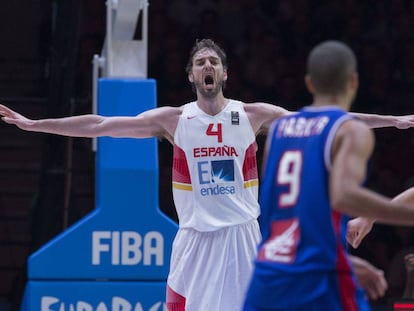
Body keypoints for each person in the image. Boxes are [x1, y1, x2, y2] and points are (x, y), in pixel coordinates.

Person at [0, 39, 414, 311]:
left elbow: (329, 123)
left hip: (242, 236)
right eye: (201, 62)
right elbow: (100, 124)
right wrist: (36, 125)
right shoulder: (173, 120)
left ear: (225, 73)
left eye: (214, 60)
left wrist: (394, 121)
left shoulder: (252, 115)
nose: (208, 66)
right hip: (194, 240)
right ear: (192, 76)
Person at [243, 40, 414, 311]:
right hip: (320, 277)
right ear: (353, 81)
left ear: (310, 83)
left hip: (269, 272)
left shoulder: (278, 131)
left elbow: (280, 211)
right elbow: (344, 195)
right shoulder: (350, 131)